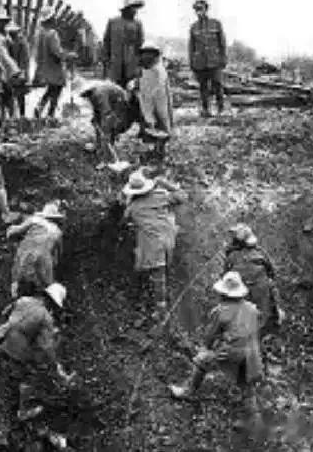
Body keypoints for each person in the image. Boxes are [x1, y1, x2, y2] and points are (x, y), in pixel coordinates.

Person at [169, 271, 264, 429]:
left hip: (232, 351)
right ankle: (254, 419)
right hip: (252, 353)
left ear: (223, 294)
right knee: (246, 384)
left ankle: (189, 391)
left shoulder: (220, 311)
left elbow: (209, 337)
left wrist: (206, 350)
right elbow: (257, 324)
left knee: (202, 360)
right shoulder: (253, 309)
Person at [0, 283, 75, 421]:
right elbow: (45, 346)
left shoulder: (24, 300)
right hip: (19, 350)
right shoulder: (46, 318)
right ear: (52, 303)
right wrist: (55, 364)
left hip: (6, 337)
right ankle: (23, 411)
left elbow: (6, 312)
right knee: (29, 377)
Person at [121, 169, 187, 306]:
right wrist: (166, 184)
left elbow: (125, 218)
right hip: (168, 239)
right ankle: (159, 300)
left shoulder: (133, 207)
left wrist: (128, 200)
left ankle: (159, 307)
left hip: (151, 246)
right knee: (161, 273)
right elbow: (182, 196)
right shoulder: (160, 196)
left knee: (157, 277)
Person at [224, 223, 284, 337]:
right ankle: (276, 316)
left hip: (241, 291)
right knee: (271, 288)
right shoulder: (260, 253)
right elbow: (271, 272)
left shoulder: (231, 256)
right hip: (260, 292)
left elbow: (225, 276)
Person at [7, 201, 65, 298]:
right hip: (44, 260)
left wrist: (12, 230)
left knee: (18, 282)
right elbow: (57, 257)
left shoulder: (35, 220)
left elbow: (12, 232)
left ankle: (16, 296)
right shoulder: (58, 232)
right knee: (44, 290)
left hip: (25, 257)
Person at [134, 42, 174, 164]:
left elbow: (155, 93)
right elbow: (144, 90)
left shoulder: (158, 71)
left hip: (158, 105)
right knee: (149, 131)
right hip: (147, 105)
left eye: (149, 54)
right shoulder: (145, 71)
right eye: (144, 54)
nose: (146, 57)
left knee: (160, 129)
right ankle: (150, 154)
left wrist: (150, 115)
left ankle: (159, 154)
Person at [33, 11, 77, 119]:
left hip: (45, 67)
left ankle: (40, 107)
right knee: (56, 91)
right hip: (54, 68)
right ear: (51, 20)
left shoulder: (40, 34)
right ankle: (50, 114)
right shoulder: (52, 33)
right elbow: (57, 52)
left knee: (51, 89)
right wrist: (69, 55)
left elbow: (37, 54)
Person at [188, 0, 227, 117]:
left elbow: (222, 43)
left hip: (214, 61)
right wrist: (191, 62)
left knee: (217, 85)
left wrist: (223, 59)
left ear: (206, 9)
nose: (199, 12)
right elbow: (191, 47)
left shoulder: (216, 24)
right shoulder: (194, 27)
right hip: (200, 63)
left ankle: (221, 109)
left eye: (201, 9)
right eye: (197, 10)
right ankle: (206, 110)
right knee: (203, 87)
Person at [102, 0, 145, 88]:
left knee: (131, 89)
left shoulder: (138, 24)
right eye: (132, 8)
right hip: (115, 65)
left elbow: (140, 44)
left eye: (135, 8)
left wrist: (140, 64)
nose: (135, 11)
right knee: (115, 89)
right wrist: (106, 60)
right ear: (126, 9)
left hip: (131, 65)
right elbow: (106, 42)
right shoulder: (113, 22)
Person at [0, 9, 22, 121]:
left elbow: (11, 52)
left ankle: (12, 119)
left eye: (4, 21)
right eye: (0, 21)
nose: (3, 24)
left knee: (9, 95)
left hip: (7, 69)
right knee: (0, 96)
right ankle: (3, 120)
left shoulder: (5, 35)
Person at [5, 22, 31, 119]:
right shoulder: (8, 42)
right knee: (10, 96)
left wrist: (23, 72)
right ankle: (12, 116)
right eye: (10, 32)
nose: (12, 34)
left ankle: (22, 116)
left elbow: (25, 59)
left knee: (20, 95)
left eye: (13, 32)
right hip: (11, 72)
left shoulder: (22, 42)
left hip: (19, 72)